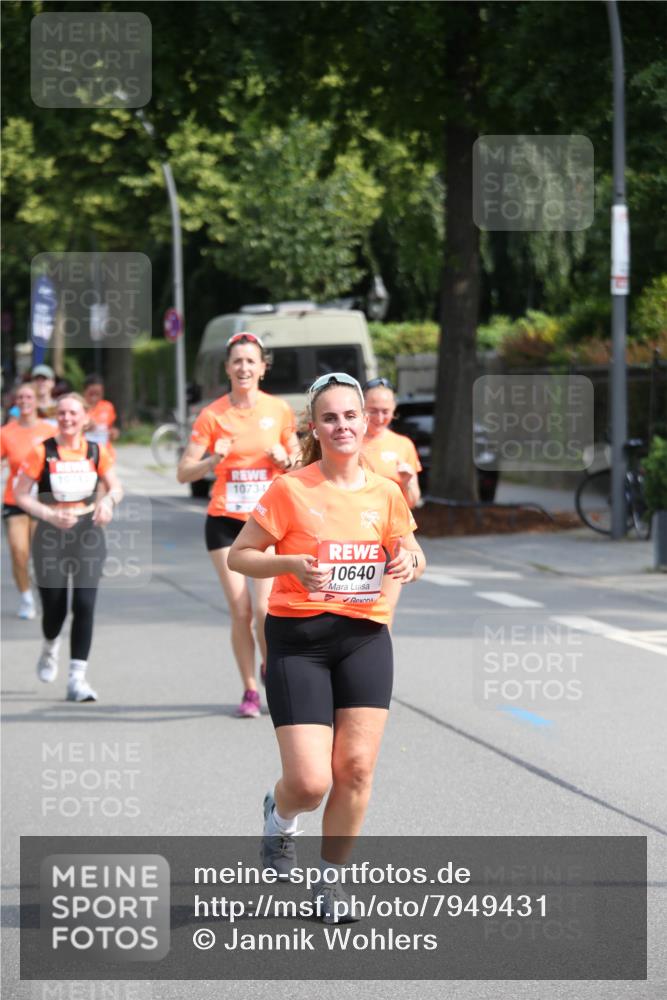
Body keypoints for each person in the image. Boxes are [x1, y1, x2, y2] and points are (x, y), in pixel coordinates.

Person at [228, 372, 425, 921]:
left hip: (364, 638)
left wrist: (411, 560)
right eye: (331, 417)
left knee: (357, 769)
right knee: (311, 782)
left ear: (365, 422)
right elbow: (242, 555)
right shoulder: (291, 488)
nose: (342, 426)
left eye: (351, 416)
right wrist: (289, 563)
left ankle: (331, 883)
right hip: (300, 641)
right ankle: (280, 816)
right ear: (315, 426)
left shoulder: (384, 491)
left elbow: (410, 550)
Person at [177, 332, 300, 718]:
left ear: (263, 368)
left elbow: (300, 465)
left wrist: (285, 458)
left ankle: (270, 670)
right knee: (241, 610)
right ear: (227, 368)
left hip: (265, 526)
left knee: (265, 609)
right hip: (225, 523)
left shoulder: (279, 410)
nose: (244, 367)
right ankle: (250, 689)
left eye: (251, 361)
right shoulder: (213, 415)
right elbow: (183, 472)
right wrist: (213, 460)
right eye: (237, 361)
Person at [14, 393, 123, 702]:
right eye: (61, 413)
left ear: (84, 417)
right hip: (51, 535)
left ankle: (77, 678)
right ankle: (50, 646)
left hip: (88, 531)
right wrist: (49, 514)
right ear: (55, 417)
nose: (67, 418)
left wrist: (108, 502)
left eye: (73, 413)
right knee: (55, 609)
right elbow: (20, 494)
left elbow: (115, 486)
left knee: (85, 605)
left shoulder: (96, 451)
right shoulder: (42, 452)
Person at [361, 377, 422, 623]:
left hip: (392, 536)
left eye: (385, 411)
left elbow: (414, 501)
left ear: (394, 410)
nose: (379, 416)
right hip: (356, 534)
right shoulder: (350, 441)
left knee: (383, 612)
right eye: (372, 410)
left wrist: (408, 482)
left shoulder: (402, 444)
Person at [1, 383, 58, 618]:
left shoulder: (49, 431)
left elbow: (60, 461)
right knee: (18, 551)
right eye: (20, 397)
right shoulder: (6, 432)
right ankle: (26, 598)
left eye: (29, 397)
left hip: (41, 501)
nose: (24, 401)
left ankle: (41, 586)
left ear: (36, 401)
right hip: (14, 499)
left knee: (41, 553)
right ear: (16, 402)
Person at [83, 374, 119, 448]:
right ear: (84, 391)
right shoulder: (77, 407)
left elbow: (111, 427)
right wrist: (84, 428)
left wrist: (114, 433)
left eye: (98, 394)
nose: (94, 397)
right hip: (84, 451)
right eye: (91, 394)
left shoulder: (108, 406)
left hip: (105, 451)